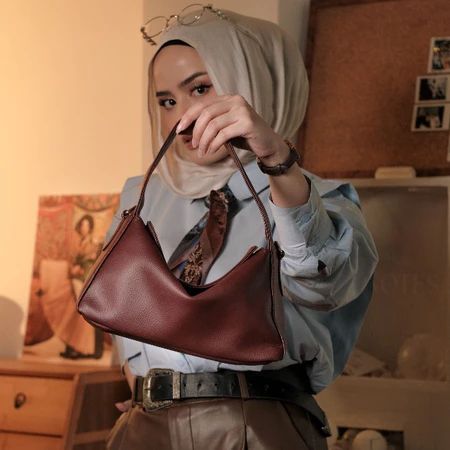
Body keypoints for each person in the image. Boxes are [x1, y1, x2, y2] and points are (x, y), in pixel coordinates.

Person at [104, 5, 378, 450]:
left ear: (255, 84)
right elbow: (119, 304)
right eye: (167, 101)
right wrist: (144, 378)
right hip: (147, 424)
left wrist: (276, 159)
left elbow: (322, 284)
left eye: (200, 89)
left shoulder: (318, 200)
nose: (182, 118)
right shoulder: (142, 196)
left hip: (255, 423)